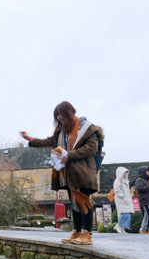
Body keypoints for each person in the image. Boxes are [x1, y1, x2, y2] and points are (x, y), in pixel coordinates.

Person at [21, 101, 104, 245]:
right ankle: (77, 231)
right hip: (68, 174)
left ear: (70, 112)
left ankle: (87, 234)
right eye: (57, 117)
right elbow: (49, 141)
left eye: (61, 116)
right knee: (74, 204)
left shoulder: (87, 128)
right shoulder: (62, 131)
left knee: (84, 202)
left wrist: (69, 155)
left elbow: (91, 148)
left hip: (83, 172)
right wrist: (30, 139)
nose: (60, 119)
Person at [134, 167, 149, 234]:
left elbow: (148, 190)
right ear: (144, 172)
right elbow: (140, 189)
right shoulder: (139, 180)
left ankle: (143, 230)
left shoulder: (147, 181)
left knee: (147, 216)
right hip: (145, 201)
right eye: (148, 171)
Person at [112, 166, 135, 234]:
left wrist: (129, 195)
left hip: (126, 199)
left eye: (126, 173)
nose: (125, 174)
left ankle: (121, 228)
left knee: (126, 213)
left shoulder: (126, 181)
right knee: (124, 213)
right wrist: (122, 196)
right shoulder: (117, 180)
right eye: (124, 173)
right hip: (121, 199)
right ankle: (119, 226)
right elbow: (117, 189)